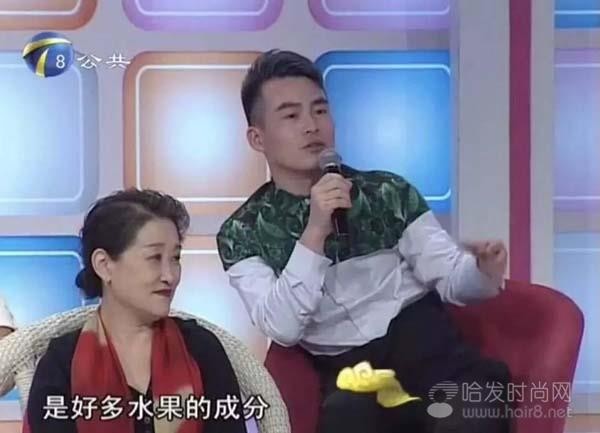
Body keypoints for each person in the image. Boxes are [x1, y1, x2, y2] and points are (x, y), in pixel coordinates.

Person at [217, 49, 512, 433]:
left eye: (320, 110)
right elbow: (283, 328)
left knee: (471, 412)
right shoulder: (242, 232)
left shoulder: (387, 192)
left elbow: (452, 279)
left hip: (429, 350)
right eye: (291, 116)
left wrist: (482, 271)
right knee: (347, 418)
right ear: (257, 138)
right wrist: (315, 231)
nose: (311, 126)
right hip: (351, 377)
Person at [24, 189, 248, 433]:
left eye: (175, 258)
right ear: (104, 265)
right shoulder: (61, 363)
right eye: (154, 257)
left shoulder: (201, 349)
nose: (170, 275)